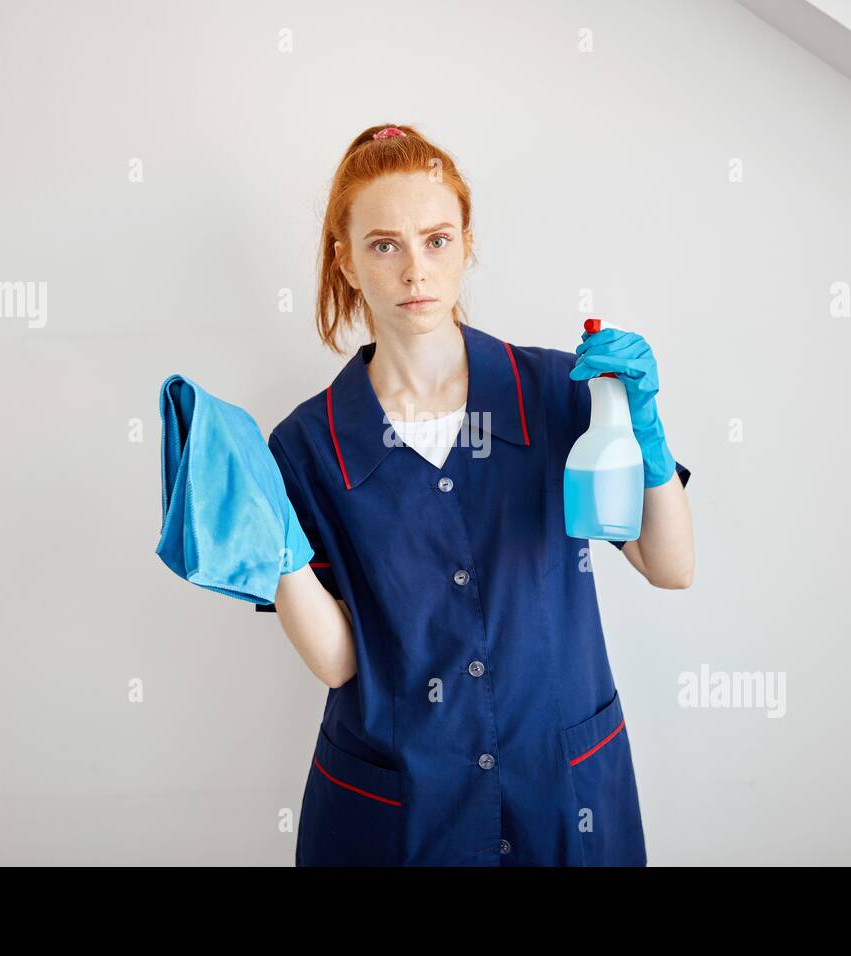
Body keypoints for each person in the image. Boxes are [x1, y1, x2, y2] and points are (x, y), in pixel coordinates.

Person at [255, 124, 695, 866]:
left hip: (562, 794)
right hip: (401, 811)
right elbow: (337, 662)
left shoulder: (559, 393)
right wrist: (267, 544)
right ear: (348, 260)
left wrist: (645, 434)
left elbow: (669, 565)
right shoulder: (306, 445)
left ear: (466, 246)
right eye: (384, 245)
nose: (413, 271)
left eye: (436, 240)